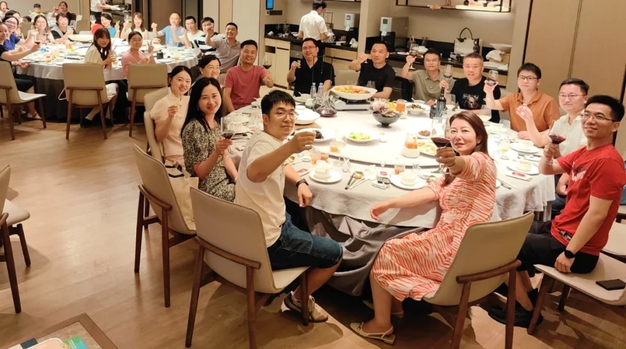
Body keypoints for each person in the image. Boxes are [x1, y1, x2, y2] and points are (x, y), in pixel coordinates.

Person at [352, 112, 496, 344]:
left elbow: (466, 165)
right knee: (401, 243)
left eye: (465, 131)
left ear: (479, 137)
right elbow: (432, 190)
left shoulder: (482, 162)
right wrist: (390, 203)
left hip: (458, 251)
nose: (458, 136)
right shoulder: (452, 174)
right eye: (453, 131)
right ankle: (395, 307)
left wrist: (453, 161)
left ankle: (381, 324)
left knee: (388, 250)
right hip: (452, 241)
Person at [489, 95, 626, 328]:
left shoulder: (607, 162)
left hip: (578, 249)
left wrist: (570, 254)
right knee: (508, 230)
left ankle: (526, 311)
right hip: (560, 230)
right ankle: (527, 292)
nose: (590, 120)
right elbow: (547, 170)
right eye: (587, 114)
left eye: (599, 117)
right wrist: (548, 153)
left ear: (615, 125)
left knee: (502, 246)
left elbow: (597, 215)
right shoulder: (585, 152)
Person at [236, 90, 343, 322]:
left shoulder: (264, 139)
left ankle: (297, 270)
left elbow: (280, 163)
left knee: (294, 210)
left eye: (291, 113)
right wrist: (291, 147)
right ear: (265, 118)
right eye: (280, 113)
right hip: (268, 242)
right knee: (336, 252)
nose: (288, 118)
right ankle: (297, 299)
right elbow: (255, 172)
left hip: (251, 230)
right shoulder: (265, 146)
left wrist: (301, 182)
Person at [181, 77, 238, 201]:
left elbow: (226, 157)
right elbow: (200, 173)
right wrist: (216, 152)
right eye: (205, 98)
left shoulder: (217, 122)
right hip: (209, 189)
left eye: (214, 96)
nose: (211, 102)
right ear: (196, 101)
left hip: (225, 180)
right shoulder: (195, 128)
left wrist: (237, 179)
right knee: (255, 196)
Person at [484, 63, 561, 137]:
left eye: (530, 78)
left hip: (537, 143)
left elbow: (557, 130)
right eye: (522, 77)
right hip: (516, 141)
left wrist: (534, 135)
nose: (525, 81)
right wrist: (489, 92)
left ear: (538, 82)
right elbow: (492, 105)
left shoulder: (548, 102)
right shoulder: (513, 98)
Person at [0, 21, 41, 118]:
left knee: (22, 77)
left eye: (6, 31)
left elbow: (2, 59)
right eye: (0, 31)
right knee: (30, 83)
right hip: (1, 83)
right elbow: (10, 57)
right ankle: (32, 112)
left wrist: (17, 63)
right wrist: (30, 51)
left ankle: (18, 109)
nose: (4, 33)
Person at [150, 66, 192, 166]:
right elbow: (159, 137)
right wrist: (170, 117)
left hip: (192, 150)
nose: (184, 84)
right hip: (176, 155)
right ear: (170, 80)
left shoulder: (189, 100)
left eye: (187, 81)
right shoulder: (163, 104)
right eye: (180, 80)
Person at [444, 53, 501, 123]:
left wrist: (463, 113)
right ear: (463, 67)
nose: (471, 70)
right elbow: (451, 103)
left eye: (475, 66)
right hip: (465, 121)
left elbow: (486, 111)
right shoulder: (459, 83)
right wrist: (445, 91)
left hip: (487, 124)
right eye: (467, 66)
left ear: (482, 68)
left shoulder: (490, 86)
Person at [223, 40, 274, 113]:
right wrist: (234, 113)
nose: (249, 55)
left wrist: (269, 80)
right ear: (240, 53)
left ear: (256, 56)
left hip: (254, 108)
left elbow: (270, 84)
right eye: (246, 51)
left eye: (253, 52)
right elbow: (226, 95)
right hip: (237, 109)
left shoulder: (259, 70)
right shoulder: (231, 72)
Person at [83, 28, 118, 127]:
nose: (104, 40)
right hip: (91, 86)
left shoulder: (97, 49)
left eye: (107, 38)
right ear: (96, 38)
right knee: (115, 87)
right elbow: (91, 69)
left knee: (115, 87)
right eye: (102, 37)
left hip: (94, 84)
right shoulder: (93, 50)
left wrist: (109, 56)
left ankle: (93, 117)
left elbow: (108, 69)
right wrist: (106, 61)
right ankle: (106, 117)